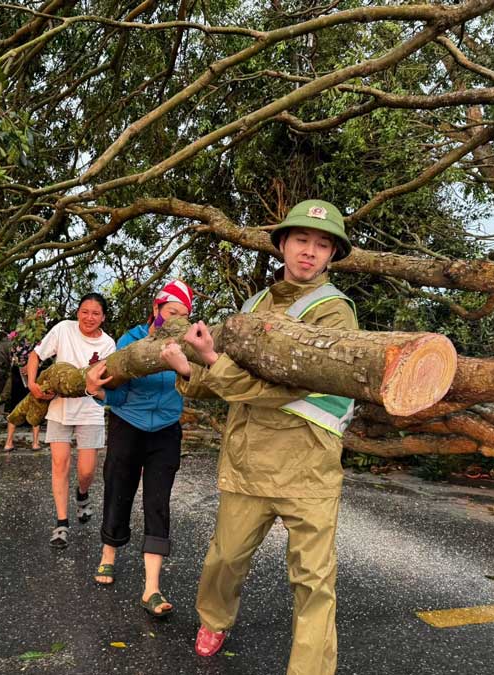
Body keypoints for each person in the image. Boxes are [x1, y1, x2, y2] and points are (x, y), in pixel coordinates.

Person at [160, 200, 356, 674]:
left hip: (309, 468)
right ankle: (214, 618)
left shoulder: (336, 314)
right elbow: (228, 379)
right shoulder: (253, 306)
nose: (309, 251)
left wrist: (211, 362)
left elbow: (288, 388)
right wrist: (189, 369)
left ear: (332, 254)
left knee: (314, 582)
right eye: (301, 240)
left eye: (322, 244)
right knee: (224, 559)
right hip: (249, 462)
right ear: (283, 244)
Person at [84, 280, 194, 618]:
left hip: (166, 430)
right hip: (127, 425)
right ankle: (108, 553)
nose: (177, 320)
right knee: (119, 490)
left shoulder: (188, 345)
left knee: (158, 502)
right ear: (156, 309)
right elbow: (117, 395)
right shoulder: (130, 341)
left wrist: (185, 367)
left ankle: (152, 588)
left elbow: (199, 384)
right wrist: (96, 391)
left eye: (184, 315)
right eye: (171, 312)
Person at [26, 293, 116, 548]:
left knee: (86, 471)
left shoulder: (108, 344)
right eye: (85, 311)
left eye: (95, 313)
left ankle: (82, 494)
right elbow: (35, 355)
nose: (89, 317)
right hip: (59, 408)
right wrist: (32, 384)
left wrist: (91, 388)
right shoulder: (63, 329)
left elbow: (105, 381)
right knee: (59, 464)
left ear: (103, 317)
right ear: (78, 312)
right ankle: (61, 523)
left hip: (90, 410)